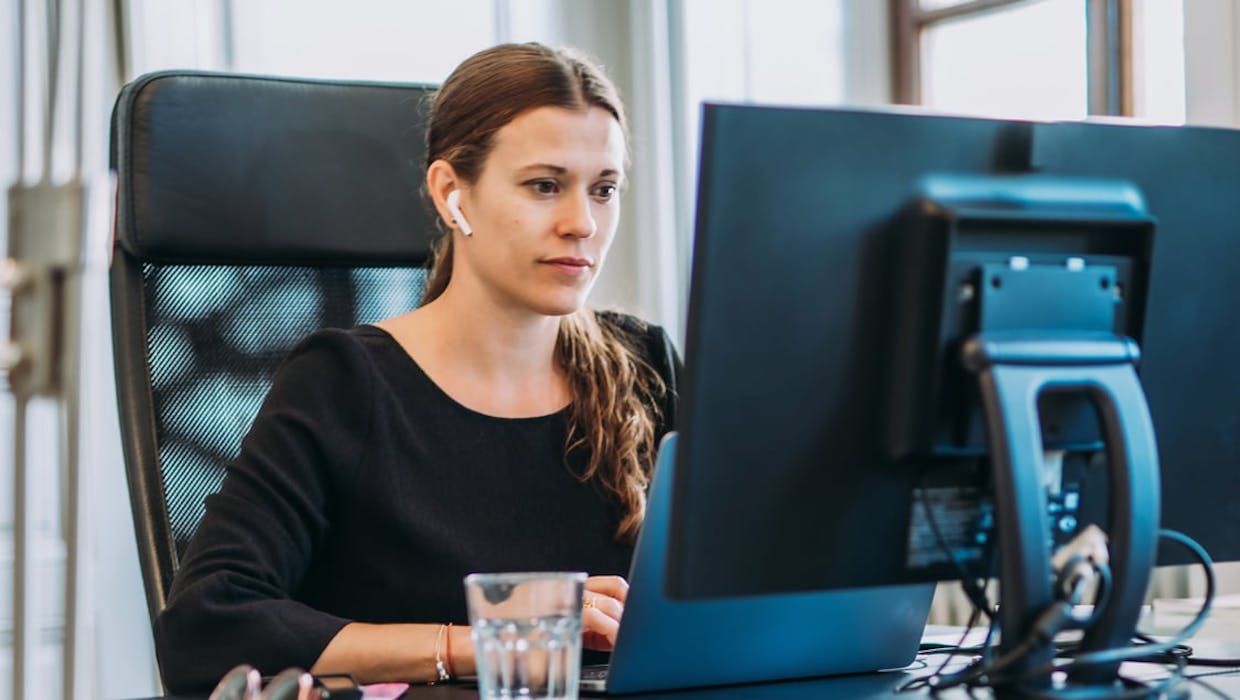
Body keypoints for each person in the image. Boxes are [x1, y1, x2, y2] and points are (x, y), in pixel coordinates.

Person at [153, 42, 680, 691]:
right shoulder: (344, 384)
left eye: (604, 189)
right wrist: (487, 642)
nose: (582, 223)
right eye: (545, 185)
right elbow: (210, 623)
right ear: (451, 192)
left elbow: (728, 589)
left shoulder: (644, 364)